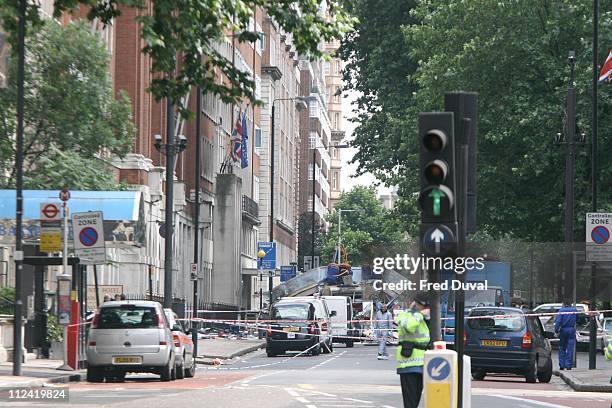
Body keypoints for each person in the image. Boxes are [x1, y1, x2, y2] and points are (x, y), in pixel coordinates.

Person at [395, 293, 430, 408]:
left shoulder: (424, 318)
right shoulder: (404, 315)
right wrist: (420, 315)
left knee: (415, 400)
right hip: (408, 364)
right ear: (415, 303)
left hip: (422, 364)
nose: (425, 310)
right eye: (423, 306)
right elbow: (409, 327)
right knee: (410, 402)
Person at [555, 299, 577, 370]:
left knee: (562, 347)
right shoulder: (574, 310)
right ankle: (568, 365)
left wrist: (556, 331)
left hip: (563, 330)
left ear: (564, 304)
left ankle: (562, 365)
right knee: (570, 348)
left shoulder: (561, 311)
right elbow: (577, 319)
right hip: (571, 329)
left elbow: (558, 322)